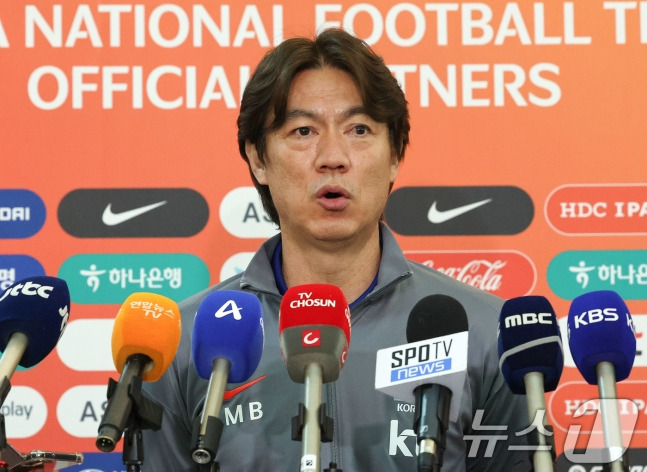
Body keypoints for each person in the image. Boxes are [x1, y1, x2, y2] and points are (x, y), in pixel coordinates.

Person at [142, 28, 533, 471]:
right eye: (303, 130)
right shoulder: (184, 343)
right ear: (258, 159)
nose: (333, 156)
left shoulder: (485, 333)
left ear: (395, 156)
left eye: (359, 129)